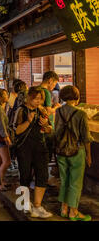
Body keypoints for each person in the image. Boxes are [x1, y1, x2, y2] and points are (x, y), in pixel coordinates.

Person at [11, 86, 53, 219]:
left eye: (41, 99)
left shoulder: (42, 110)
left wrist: (46, 124)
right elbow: (16, 131)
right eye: (36, 99)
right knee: (25, 176)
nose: (38, 101)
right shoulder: (21, 110)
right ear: (29, 97)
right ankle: (25, 203)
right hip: (24, 148)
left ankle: (37, 205)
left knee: (42, 175)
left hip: (40, 147)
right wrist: (28, 122)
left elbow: (49, 129)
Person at [55, 86, 93, 221]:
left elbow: (57, 131)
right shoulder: (81, 114)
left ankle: (64, 208)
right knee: (75, 182)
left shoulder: (58, 111)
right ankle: (74, 212)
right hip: (77, 151)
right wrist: (89, 155)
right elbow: (86, 137)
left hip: (61, 151)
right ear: (76, 97)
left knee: (64, 180)